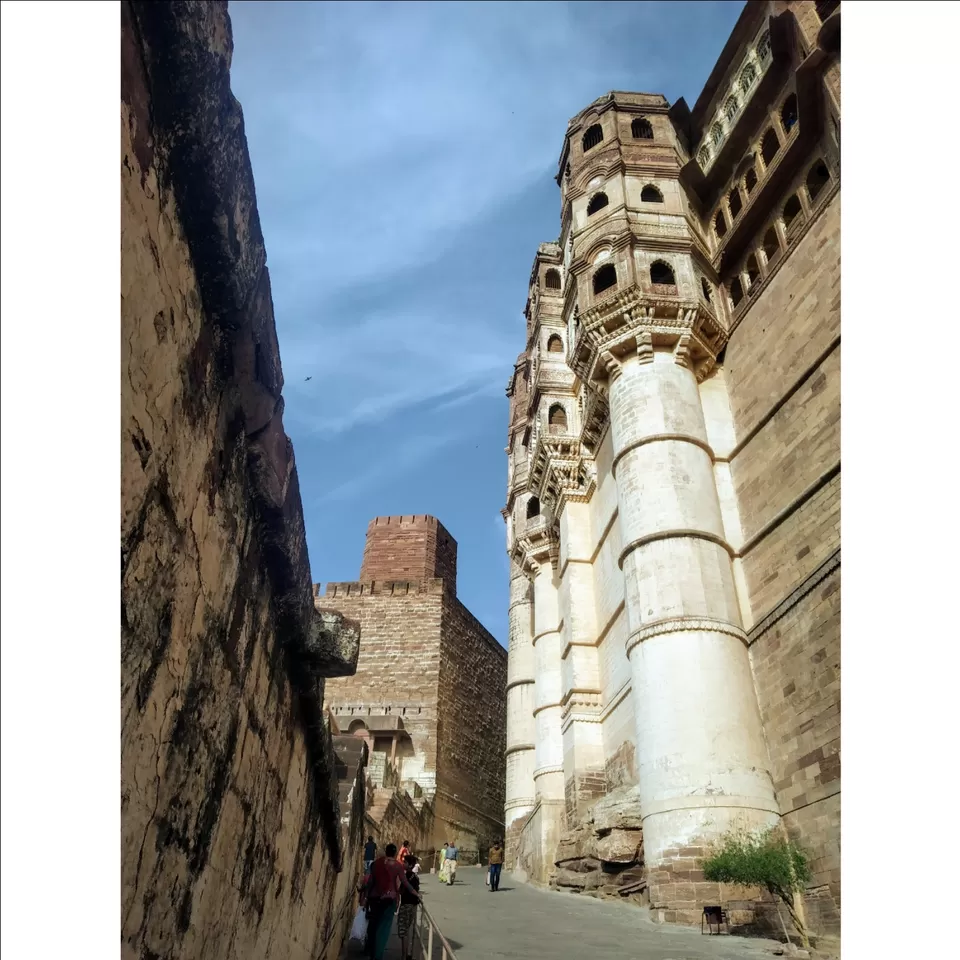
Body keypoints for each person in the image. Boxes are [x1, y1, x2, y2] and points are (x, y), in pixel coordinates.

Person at [363, 843, 421, 960]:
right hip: (389, 899)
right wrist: (416, 893)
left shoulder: (376, 863)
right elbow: (405, 883)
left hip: (374, 898)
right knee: (383, 928)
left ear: (386, 851)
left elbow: (370, 882)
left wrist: (365, 895)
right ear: (395, 853)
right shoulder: (397, 866)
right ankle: (378, 955)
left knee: (373, 924)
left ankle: (370, 949)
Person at [397, 855, 421, 960]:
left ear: (410, 865)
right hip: (413, 906)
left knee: (403, 931)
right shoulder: (415, 877)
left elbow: (402, 890)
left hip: (406, 905)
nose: (403, 864)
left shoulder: (406, 877)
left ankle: (404, 955)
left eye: (405, 862)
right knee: (407, 930)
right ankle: (407, 953)